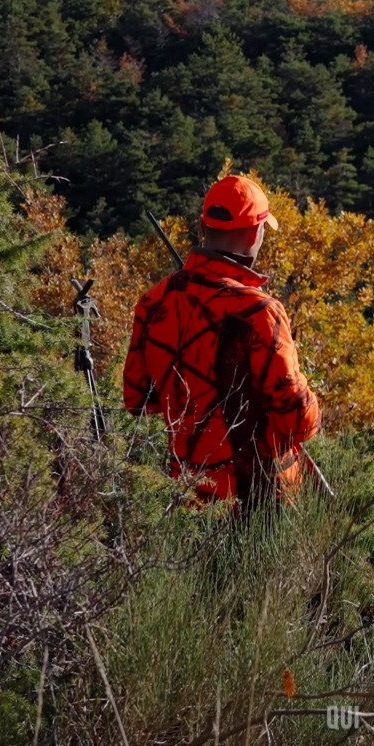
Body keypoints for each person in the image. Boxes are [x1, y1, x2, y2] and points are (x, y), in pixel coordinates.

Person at [122, 176, 322, 508]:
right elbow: (299, 421)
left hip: (188, 498)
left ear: (204, 226)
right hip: (259, 500)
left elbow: (138, 399)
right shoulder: (260, 312)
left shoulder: (154, 301)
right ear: (254, 233)